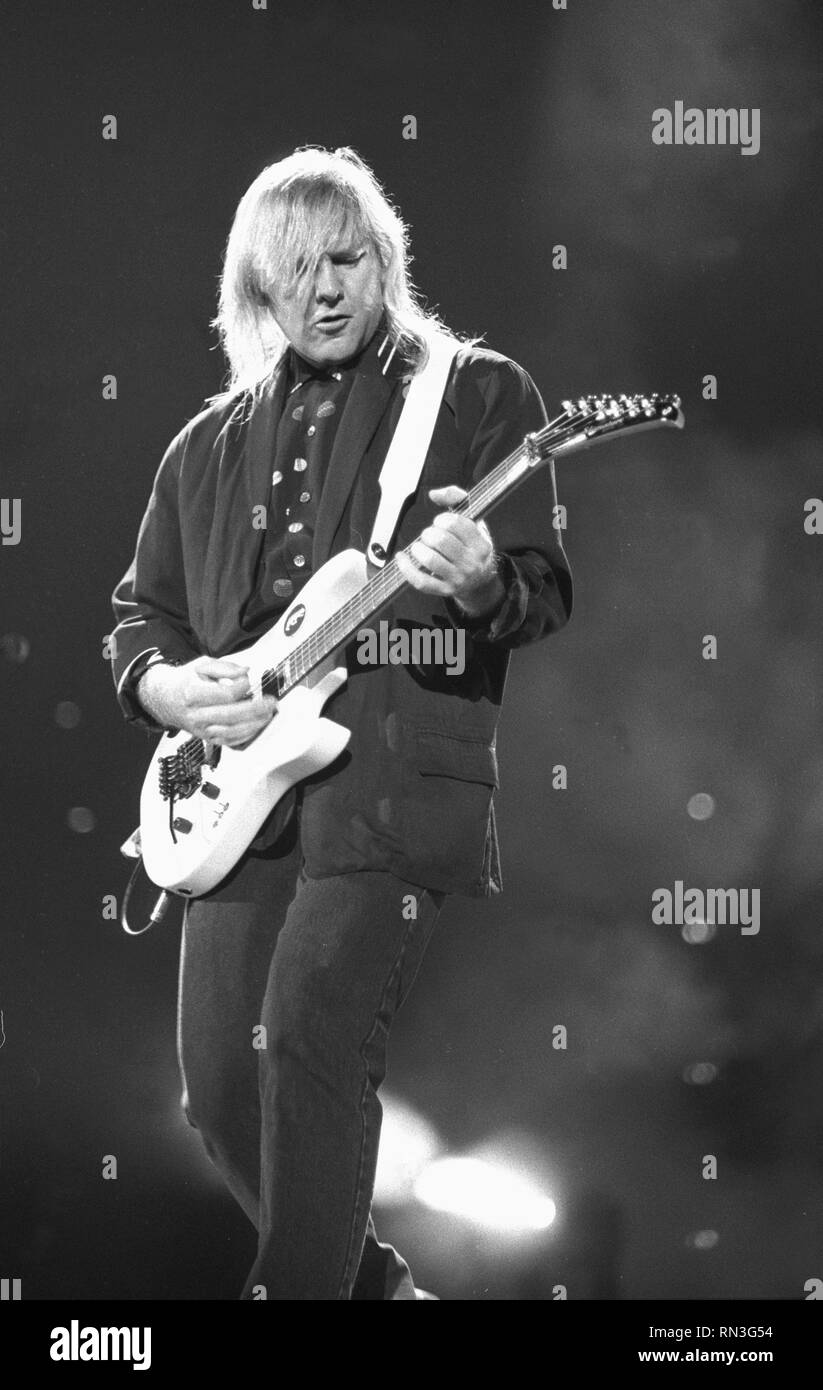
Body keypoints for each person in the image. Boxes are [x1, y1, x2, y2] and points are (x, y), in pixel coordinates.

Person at [109, 145, 572, 1300]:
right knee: (218, 1090)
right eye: (296, 271)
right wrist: (163, 688)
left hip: (387, 784)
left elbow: (539, 591)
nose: (325, 288)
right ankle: (377, 1293)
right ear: (256, 292)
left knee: (310, 1034)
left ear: (386, 259)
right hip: (235, 791)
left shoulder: (474, 394)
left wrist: (473, 584)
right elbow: (141, 620)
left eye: (347, 259)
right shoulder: (203, 445)